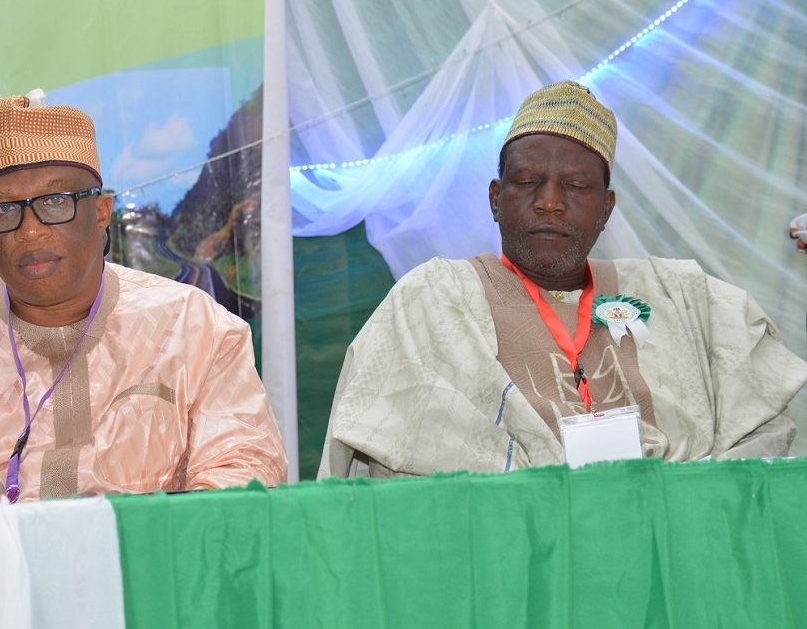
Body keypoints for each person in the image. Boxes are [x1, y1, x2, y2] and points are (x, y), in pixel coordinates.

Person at [0, 89, 287, 513]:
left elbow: (245, 476)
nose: (29, 230)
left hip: (147, 587)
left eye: (55, 202)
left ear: (101, 211)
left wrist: (124, 522)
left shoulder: (193, 326)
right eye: (3, 210)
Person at [318, 80, 807, 479]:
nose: (549, 201)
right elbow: (385, 453)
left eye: (575, 186)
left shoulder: (684, 297)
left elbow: (767, 436)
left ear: (606, 209)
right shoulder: (433, 301)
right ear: (495, 198)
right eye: (527, 182)